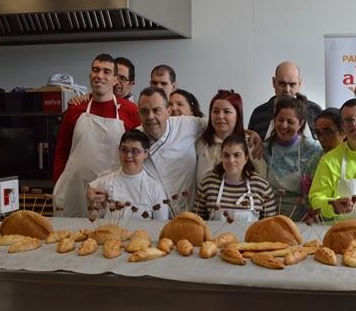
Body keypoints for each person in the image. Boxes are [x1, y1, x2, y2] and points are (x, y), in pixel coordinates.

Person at [52, 53, 140, 217]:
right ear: (90, 75)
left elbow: (139, 155)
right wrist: (60, 184)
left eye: (106, 72)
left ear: (115, 80)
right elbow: (61, 152)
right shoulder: (74, 110)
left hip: (114, 193)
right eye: (96, 70)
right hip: (74, 190)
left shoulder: (131, 111)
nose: (99, 76)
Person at [137, 86, 207, 214]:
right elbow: (117, 169)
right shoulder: (135, 139)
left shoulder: (187, 124)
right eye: (144, 111)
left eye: (156, 110)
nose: (150, 117)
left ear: (169, 111)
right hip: (155, 216)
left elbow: (219, 126)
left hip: (190, 212)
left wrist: (248, 133)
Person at [86, 129, 169, 220]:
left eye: (135, 151)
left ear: (146, 153)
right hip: (111, 232)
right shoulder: (104, 183)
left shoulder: (155, 189)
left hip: (143, 234)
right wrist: (92, 202)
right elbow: (95, 219)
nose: (128, 155)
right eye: (124, 150)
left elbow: (160, 225)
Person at [264, 95, 322, 221]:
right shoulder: (264, 148)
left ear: (301, 123)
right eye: (280, 120)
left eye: (290, 122)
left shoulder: (313, 149)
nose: (284, 126)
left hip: (301, 217)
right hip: (269, 215)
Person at [195, 135, 277, 221]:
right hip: (215, 235)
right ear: (221, 157)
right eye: (226, 155)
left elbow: (270, 225)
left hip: (251, 235)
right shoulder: (207, 184)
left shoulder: (262, 186)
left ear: (246, 158)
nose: (231, 160)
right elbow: (197, 223)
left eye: (237, 155)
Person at [195, 90, 265, 187]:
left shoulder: (250, 143)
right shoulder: (200, 144)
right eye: (215, 111)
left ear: (238, 115)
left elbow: (261, 180)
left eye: (226, 111)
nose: (220, 116)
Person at [248, 61, 323, 141]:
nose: (287, 90)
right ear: (274, 82)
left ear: (299, 84)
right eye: (282, 84)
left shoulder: (315, 111)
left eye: (292, 84)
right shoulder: (259, 113)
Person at [301, 108, 344, 197]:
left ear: (343, 132)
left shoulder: (354, 159)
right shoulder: (313, 163)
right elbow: (307, 197)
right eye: (318, 133)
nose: (322, 139)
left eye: (328, 133)